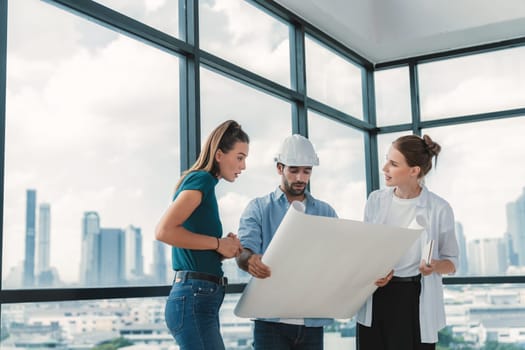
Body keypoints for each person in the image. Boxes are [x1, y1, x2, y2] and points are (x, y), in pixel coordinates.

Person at [356, 134, 459, 350]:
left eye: (393, 164)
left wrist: (434, 267)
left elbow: (451, 262)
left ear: (414, 170)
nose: (385, 168)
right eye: (387, 160)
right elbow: (365, 248)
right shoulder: (376, 200)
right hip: (376, 294)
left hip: (414, 298)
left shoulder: (439, 208)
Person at [236, 134, 337, 350]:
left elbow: (338, 257)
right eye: (294, 170)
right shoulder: (259, 208)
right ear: (280, 168)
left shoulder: (325, 212)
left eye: (307, 171)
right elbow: (243, 251)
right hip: (271, 322)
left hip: (312, 321)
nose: (301, 177)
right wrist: (250, 259)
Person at [155, 120, 249, 350]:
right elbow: (164, 231)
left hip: (199, 298)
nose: (244, 166)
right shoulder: (202, 179)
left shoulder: (205, 184)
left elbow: (191, 241)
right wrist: (218, 243)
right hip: (194, 298)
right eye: (239, 157)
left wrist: (224, 248)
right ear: (219, 155)